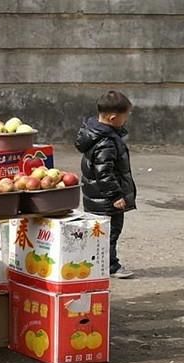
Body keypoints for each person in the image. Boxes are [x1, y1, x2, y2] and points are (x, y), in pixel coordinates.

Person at [74, 91, 137, 279]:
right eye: (125, 117)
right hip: (106, 200)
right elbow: (104, 173)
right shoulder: (106, 142)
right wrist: (116, 196)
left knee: (100, 232)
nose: (126, 121)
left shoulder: (96, 133)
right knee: (109, 233)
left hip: (96, 196)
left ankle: (97, 263)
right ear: (113, 117)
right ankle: (110, 266)